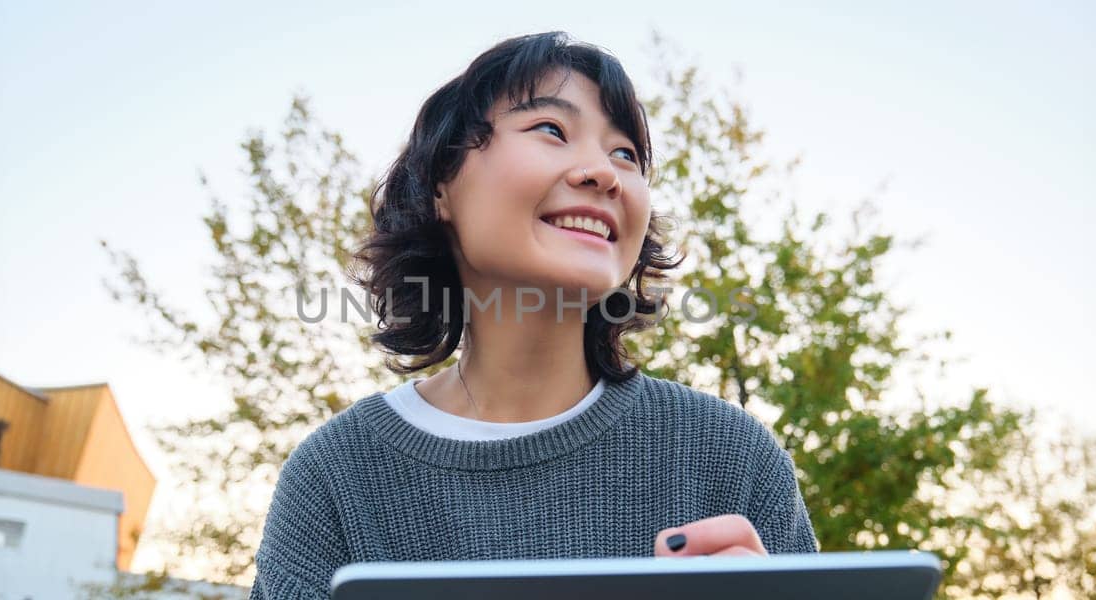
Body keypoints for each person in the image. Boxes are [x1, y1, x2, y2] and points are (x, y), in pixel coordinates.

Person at [247, 31, 817, 600]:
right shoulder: (335, 475)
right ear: (441, 186)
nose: (605, 173)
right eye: (552, 129)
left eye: (627, 154)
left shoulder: (732, 456)